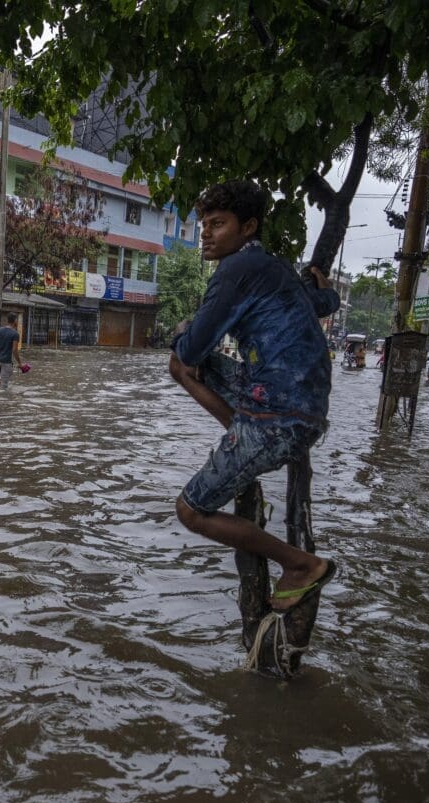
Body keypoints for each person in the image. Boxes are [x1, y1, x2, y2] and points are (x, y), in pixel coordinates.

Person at [169, 179, 338, 611]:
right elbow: (323, 302)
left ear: (248, 227)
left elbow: (191, 349)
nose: (206, 233)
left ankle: (300, 564)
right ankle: (241, 433)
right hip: (303, 404)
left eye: (218, 224)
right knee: (198, 367)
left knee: (191, 511)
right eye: (204, 224)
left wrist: (184, 334)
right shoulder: (273, 266)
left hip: (280, 415)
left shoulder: (234, 272)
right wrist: (324, 289)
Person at [0, 314, 22, 389]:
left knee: (8, 371)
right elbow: (14, 350)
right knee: (4, 388)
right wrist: (19, 363)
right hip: (6, 361)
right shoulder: (15, 334)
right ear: (15, 321)